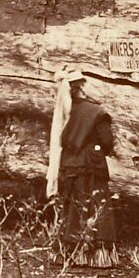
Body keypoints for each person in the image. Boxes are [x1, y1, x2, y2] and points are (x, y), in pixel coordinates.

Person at [46, 70, 119, 267]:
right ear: (82, 88)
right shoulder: (96, 112)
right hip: (92, 166)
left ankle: (68, 253)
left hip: (69, 165)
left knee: (72, 207)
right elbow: (106, 141)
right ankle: (96, 257)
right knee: (95, 204)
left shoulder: (63, 114)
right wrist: (99, 148)